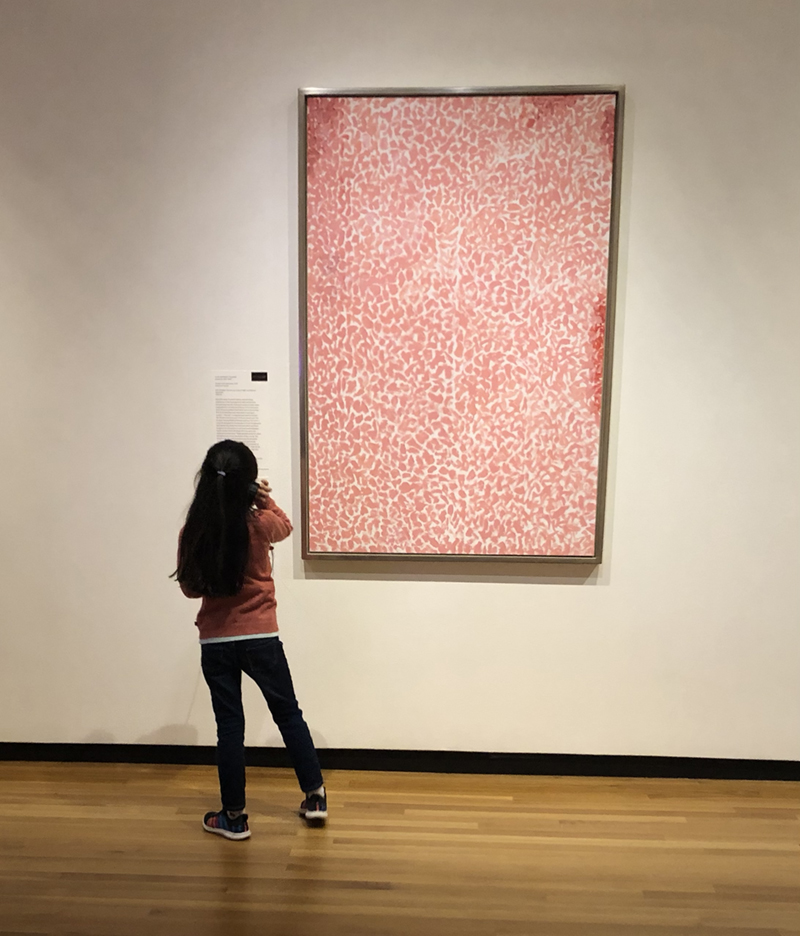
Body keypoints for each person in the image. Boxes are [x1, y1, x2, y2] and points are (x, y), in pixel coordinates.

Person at [174, 439, 325, 841]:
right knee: (288, 713)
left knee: (229, 726)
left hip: (217, 642)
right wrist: (262, 500)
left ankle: (234, 817)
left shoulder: (195, 531)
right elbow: (286, 526)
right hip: (261, 637)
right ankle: (314, 797)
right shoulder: (258, 523)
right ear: (249, 483)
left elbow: (189, 589)